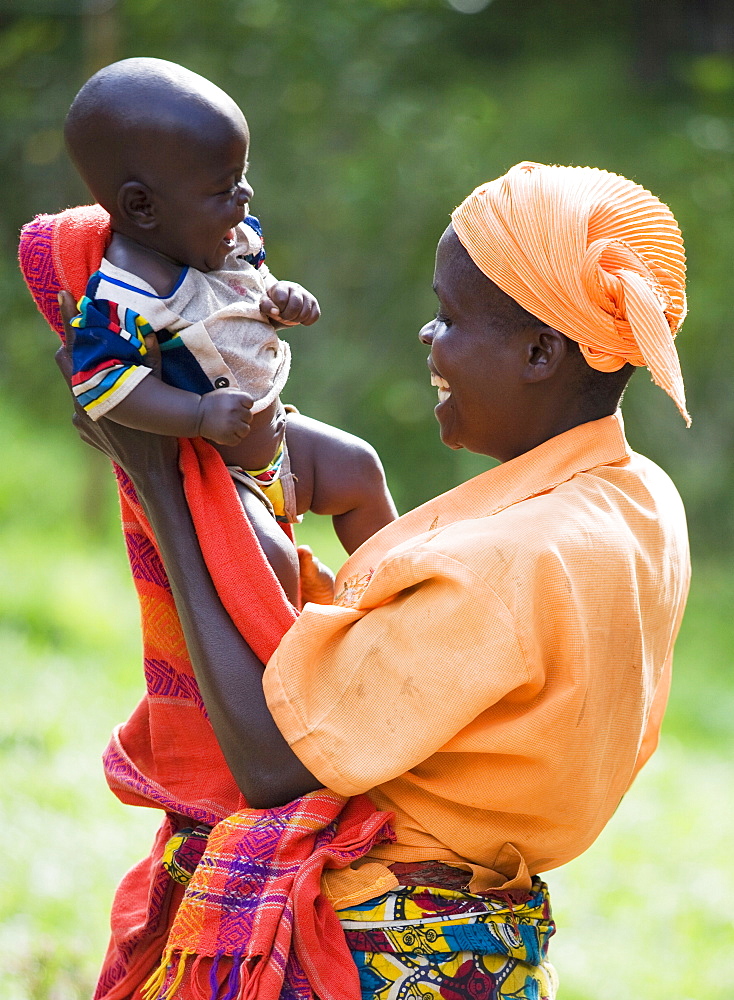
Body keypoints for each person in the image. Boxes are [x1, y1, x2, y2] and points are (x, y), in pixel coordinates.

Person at [58, 161, 691, 1000]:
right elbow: (448, 678)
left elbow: (276, 764)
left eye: (450, 317)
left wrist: (166, 484)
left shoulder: (508, 565)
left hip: (376, 949)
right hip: (476, 945)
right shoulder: (640, 499)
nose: (429, 337)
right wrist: (358, 497)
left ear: (541, 352)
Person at [62, 57, 397, 602]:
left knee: (359, 467)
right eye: (224, 188)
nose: (244, 197)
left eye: (242, 177)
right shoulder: (125, 298)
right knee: (271, 564)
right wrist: (195, 414)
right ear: (142, 206)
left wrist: (283, 299)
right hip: (224, 481)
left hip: (280, 442)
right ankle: (310, 650)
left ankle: (399, 602)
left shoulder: (223, 237)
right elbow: (99, 386)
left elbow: (251, 289)